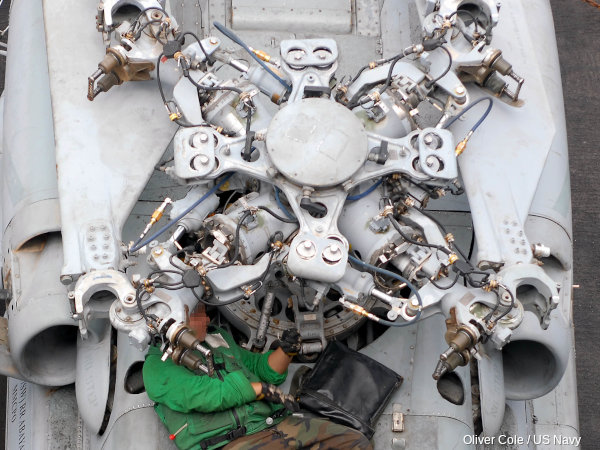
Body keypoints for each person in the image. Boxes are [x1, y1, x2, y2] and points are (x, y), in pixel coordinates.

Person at [143, 306, 372, 450]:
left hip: (276, 425)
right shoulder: (157, 365)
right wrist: (260, 390)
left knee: (354, 443)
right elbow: (204, 395)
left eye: (202, 312)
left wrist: (287, 350)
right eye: (192, 314)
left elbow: (258, 368)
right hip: (228, 442)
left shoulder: (217, 337)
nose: (203, 319)